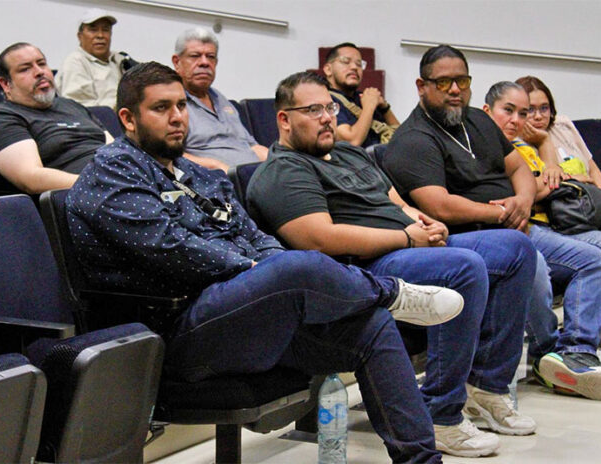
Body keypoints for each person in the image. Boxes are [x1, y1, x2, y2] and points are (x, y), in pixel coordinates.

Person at [66, 61, 468, 463]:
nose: (177, 117)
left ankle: (421, 460)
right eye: (161, 108)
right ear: (128, 118)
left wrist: (268, 274)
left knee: (370, 327)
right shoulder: (112, 171)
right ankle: (391, 293)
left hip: (241, 311)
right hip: (173, 330)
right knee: (294, 268)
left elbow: (254, 235)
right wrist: (259, 273)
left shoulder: (195, 173)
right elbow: (170, 247)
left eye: (181, 106)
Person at [247, 71, 540, 458]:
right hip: (364, 268)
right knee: (465, 268)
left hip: (409, 245)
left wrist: (426, 222)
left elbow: (397, 203)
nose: (327, 117)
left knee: (516, 248)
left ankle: (486, 388)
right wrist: (407, 237)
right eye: (313, 110)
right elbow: (320, 239)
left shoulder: (349, 152)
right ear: (284, 119)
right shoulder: (283, 170)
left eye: (330, 107)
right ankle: (440, 414)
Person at [381, 45, 601, 401]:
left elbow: (518, 168)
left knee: (591, 259)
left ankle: (575, 353)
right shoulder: (413, 139)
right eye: (444, 82)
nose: (455, 89)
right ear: (422, 86)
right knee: (531, 263)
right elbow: (440, 205)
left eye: (462, 81)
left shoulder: (477, 121)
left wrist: (523, 201)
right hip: (473, 236)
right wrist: (499, 213)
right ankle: (545, 354)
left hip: (516, 224)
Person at [482, 80, 601, 395]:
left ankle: (577, 350)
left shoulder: (523, 146)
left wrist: (542, 181)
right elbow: (528, 190)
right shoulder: (487, 145)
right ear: (487, 111)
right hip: (514, 229)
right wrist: (539, 186)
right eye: (509, 111)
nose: (518, 120)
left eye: (522, 113)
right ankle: (548, 352)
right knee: (544, 261)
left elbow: (550, 182)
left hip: (543, 224)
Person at [515, 75, 601, 358]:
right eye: (530, 109)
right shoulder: (515, 141)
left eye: (544, 108)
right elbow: (544, 186)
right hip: (551, 221)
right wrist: (564, 170)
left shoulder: (561, 127)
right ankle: (579, 337)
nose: (538, 116)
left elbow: (592, 170)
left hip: (580, 211)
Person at [0, 42, 113, 196]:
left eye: (42, 64)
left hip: (117, 185)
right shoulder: (2, 120)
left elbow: (116, 149)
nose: (39, 72)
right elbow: (32, 179)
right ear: (6, 84)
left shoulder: (71, 106)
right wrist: (104, 183)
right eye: (25, 69)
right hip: (84, 197)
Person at [171, 27, 267, 170]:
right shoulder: (172, 104)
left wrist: (279, 162)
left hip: (253, 176)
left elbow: (252, 146)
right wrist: (218, 167)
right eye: (195, 56)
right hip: (215, 179)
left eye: (210, 56)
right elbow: (168, 156)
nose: (204, 62)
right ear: (177, 62)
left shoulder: (221, 100)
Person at [323, 42, 399, 147]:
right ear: (328, 69)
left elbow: (402, 137)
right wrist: (369, 106)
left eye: (359, 64)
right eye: (346, 61)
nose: (354, 67)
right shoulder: (325, 100)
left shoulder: (363, 97)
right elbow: (352, 142)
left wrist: (385, 108)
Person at [55, 8, 134, 108]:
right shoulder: (75, 62)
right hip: (105, 116)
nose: (100, 35)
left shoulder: (119, 60)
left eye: (105, 30)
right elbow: (81, 108)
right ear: (80, 36)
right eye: (93, 30)